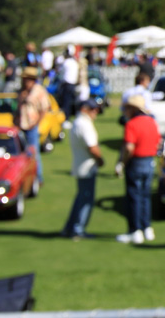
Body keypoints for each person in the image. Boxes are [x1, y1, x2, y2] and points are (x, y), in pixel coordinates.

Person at [116, 95, 160, 244]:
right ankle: (146, 227)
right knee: (145, 196)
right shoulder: (152, 121)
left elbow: (129, 147)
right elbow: (157, 142)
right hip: (149, 162)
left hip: (136, 162)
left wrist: (122, 162)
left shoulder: (132, 124)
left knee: (134, 197)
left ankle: (135, 230)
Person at [61, 99, 105, 240]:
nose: (95, 112)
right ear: (84, 109)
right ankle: (78, 229)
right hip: (86, 167)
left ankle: (70, 227)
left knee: (81, 197)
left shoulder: (78, 122)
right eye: (93, 109)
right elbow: (92, 147)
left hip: (81, 165)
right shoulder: (84, 124)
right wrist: (100, 160)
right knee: (86, 199)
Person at [16, 67, 49, 184]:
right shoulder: (21, 91)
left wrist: (36, 123)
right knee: (21, 153)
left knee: (33, 153)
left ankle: (38, 177)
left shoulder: (39, 91)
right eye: (25, 79)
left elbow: (44, 109)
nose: (26, 82)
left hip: (32, 126)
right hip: (21, 125)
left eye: (29, 79)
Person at [59, 46, 80, 123]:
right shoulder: (74, 62)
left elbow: (62, 74)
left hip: (67, 84)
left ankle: (66, 118)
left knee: (66, 102)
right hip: (73, 84)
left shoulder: (66, 62)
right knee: (72, 102)